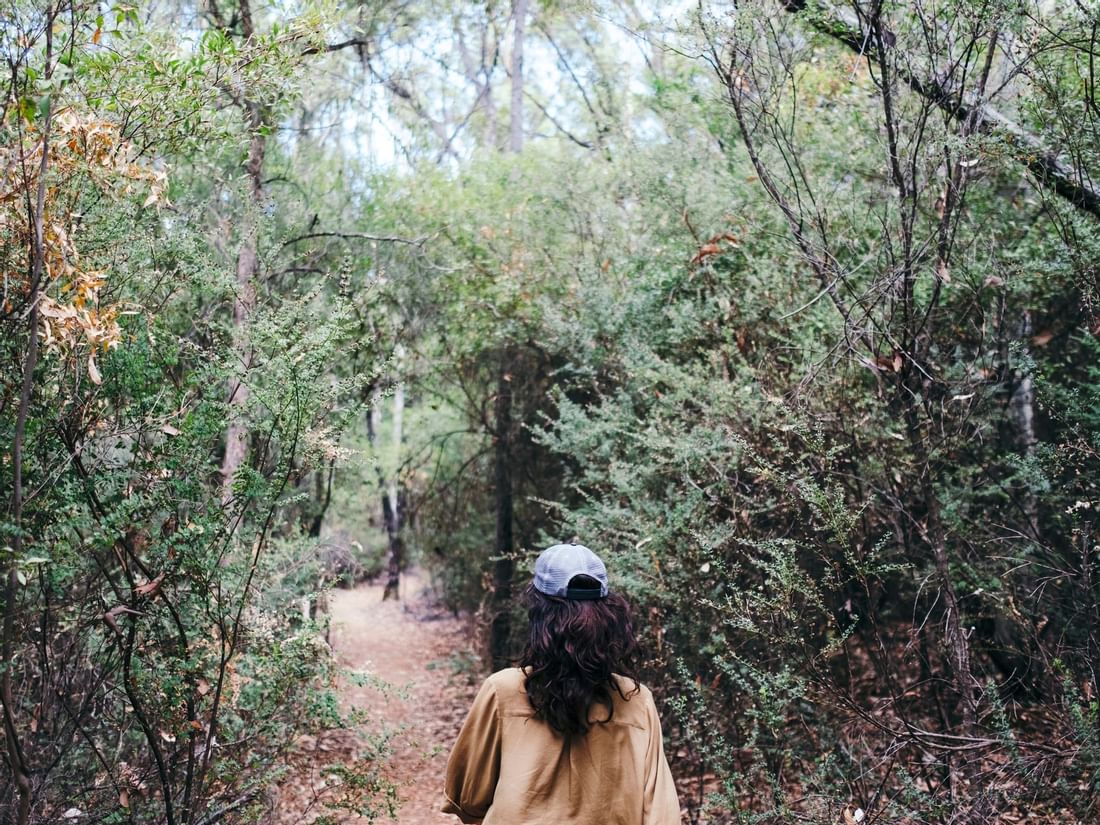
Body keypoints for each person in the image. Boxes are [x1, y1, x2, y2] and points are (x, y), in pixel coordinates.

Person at [442, 542, 681, 825]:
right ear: (608, 616)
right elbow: (662, 816)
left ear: (539, 615)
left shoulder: (503, 691)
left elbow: (467, 801)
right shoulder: (635, 700)